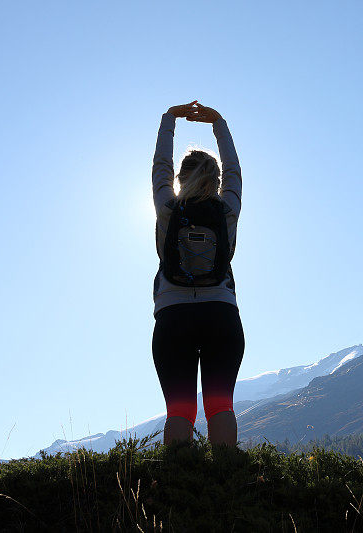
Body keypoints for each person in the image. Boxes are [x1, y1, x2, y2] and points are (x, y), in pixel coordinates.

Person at [151, 100, 244, 448]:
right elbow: (235, 168)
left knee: (180, 409)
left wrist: (169, 119)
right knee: (221, 405)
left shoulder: (166, 206)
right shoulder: (228, 209)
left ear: (178, 179)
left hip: (173, 317)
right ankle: (224, 489)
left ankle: (180, 491)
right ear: (217, 181)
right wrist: (218, 121)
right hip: (221, 313)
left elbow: (159, 165)